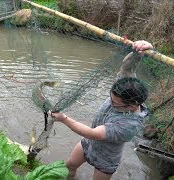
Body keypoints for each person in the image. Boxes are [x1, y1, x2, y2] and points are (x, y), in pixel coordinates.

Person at [48, 40, 153, 180]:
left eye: (115, 103)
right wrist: (141, 49)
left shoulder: (129, 126)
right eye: (110, 97)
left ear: (132, 106)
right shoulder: (126, 88)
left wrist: (63, 118)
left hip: (107, 157)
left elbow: (92, 133)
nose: (111, 102)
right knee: (69, 166)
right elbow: (127, 68)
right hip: (88, 144)